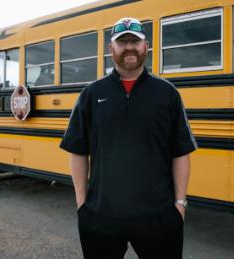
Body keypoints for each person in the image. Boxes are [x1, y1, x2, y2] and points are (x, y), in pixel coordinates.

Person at [60, 17, 197, 259]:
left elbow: (181, 152)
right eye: (122, 42)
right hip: (101, 217)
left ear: (146, 47)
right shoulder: (92, 94)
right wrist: (82, 206)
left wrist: (179, 205)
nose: (129, 47)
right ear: (111, 49)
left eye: (135, 41)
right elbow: (78, 151)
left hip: (159, 216)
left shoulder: (167, 94)